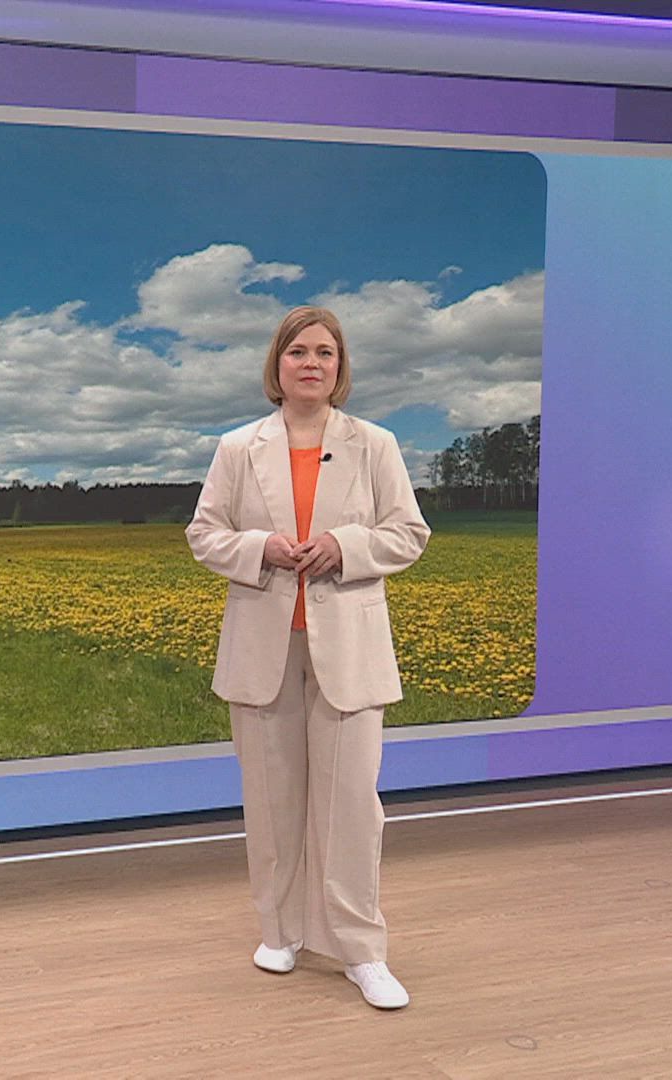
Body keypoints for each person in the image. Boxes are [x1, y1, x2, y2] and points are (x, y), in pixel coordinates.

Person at [185, 305, 431, 1010]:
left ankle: (360, 950)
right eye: (299, 352)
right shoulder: (238, 447)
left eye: (325, 352)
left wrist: (345, 547)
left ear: (340, 366)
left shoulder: (375, 444)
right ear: (278, 364)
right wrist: (258, 548)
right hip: (262, 648)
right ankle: (282, 931)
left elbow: (408, 533)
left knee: (352, 805)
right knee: (272, 803)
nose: (312, 363)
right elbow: (204, 534)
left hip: (348, 650)